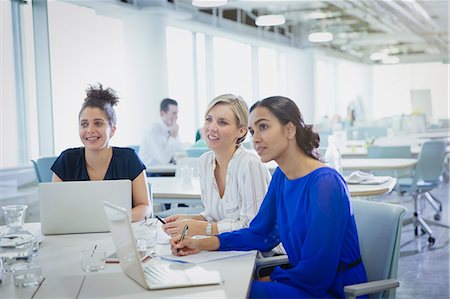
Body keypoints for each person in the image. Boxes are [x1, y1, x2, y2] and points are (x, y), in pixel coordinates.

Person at [170, 96, 368, 298]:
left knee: (232, 291)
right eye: (253, 131)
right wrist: (199, 243)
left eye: (263, 127)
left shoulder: (326, 183)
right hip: (304, 282)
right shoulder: (282, 176)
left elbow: (317, 270)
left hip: (333, 290)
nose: (255, 138)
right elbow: (259, 234)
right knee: (221, 288)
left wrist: (267, 279)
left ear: (289, 130)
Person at [162, 94, 271, 237]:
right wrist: (188, 220)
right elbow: (214, 215)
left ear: (241, 131)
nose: (212, 127)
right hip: (227, 249)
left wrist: (201, 228)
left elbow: (252, 226)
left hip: (258, 255)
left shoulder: (250, 165)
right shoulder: (205, 162)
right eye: (209, 119)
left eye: (222, 122)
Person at [51, 84, 151, 222]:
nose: (90, 130)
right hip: (77, 237)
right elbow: (54, 209)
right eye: (84, 124)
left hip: (120, 234)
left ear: (113, 130)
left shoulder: (129, 159)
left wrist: (113, 220)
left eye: (98, 123)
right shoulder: (66, 160)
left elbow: (145, 207)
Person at [139, 98, 184, 166]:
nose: (176, 117)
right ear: (162, 113)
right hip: (152, 172)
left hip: (167, 169)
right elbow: (164, 159)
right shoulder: (152, 131)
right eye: (173, 113)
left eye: (177, 113)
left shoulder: (172, 129)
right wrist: (173, 137)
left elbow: (181, 152)